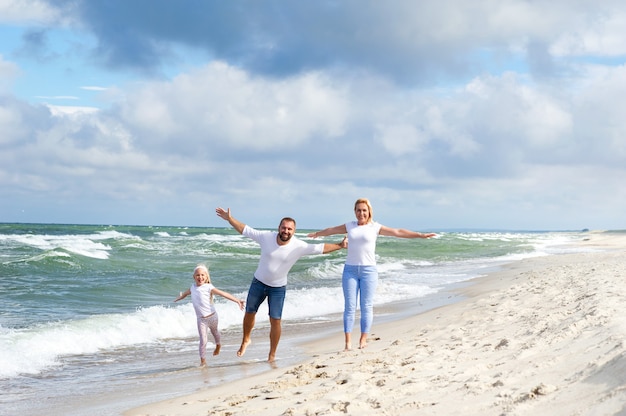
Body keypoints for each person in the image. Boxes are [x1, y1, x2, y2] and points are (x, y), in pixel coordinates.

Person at [216, 207, 347, 363]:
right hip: (258, 282)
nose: (286, 231)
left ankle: (272, 355)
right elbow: (246, 230)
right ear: (279, 228)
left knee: (275, 320)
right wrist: (230, 219)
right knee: (250, 312)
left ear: (294, 231)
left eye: (289, 229)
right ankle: (246, 339)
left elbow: (321, 248)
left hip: (278, 288)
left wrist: (340, 244)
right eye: (284, 227)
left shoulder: (299, 246)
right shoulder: (266, 237)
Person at [308, 198, 436, 351]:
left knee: (366, 306)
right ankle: (348, 342)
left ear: (369, 212)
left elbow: (398, 232)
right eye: (358, 210)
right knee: (349, 306)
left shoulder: (375, 227)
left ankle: (363, 339)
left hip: (369, 271)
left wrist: (420, 235)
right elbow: (332, 230)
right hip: (350, 270)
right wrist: (318, 234)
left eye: (364, 210)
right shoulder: (350, 226)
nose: (361, 213)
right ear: (355, 212)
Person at [174, 263, 245, 366]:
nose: (200, 277)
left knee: (215, 332)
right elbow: (185, 294)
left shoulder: (208, 287)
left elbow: (223, 294)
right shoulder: (193, 288)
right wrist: (179, 297)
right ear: (194, 277)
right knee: (203, 340)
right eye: (198, 275)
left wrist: (237, 300)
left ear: (206, 277)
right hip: (201, 320)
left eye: (203, 275)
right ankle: (203, 361)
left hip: (212, 317)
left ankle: (218, 345)